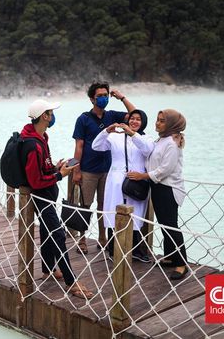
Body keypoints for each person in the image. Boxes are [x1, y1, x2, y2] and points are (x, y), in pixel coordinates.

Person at [21, 99, 93, 299]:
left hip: (46, 195)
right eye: (50, 112)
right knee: (58, 234)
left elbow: (41, 169)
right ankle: (71, 282)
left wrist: (55, 168)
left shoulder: (41, 137)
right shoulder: (32, 144)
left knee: (46, 231)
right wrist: (60, 175)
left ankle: (49, 268)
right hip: (41, 196)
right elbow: (35, 181)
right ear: (44, 116)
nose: (52, 116)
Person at [72, 81, 136, 254]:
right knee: (85, 205)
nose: (103, 98)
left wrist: (121, 97)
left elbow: (136, 116)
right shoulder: (83, 119)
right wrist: (76, 170)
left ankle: (102, 239)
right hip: (88, 170)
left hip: (108, 171)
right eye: (99, 96)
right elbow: (79, 146)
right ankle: (82, 240)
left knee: (104, 206)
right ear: (92, 99)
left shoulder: (112, 116)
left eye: (105, 95)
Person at [127, 109, 188, 280]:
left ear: (171, 125)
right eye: (157, 120)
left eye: (162, 121)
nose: (157, 123)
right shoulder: (161, 140)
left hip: (168, 188)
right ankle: (170, 257)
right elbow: (151, 160)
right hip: (158, 187)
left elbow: (165, 169)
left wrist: (142, 176)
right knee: (163, 223)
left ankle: (181, 263)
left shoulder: (172, 143)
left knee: (170, 225)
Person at [91, 109, 153, 262]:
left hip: (136, 180)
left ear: (143, 122)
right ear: (127, 120)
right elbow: (96, 146)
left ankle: (136, 250)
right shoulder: (115, 137)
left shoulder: (147, 138)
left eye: (138, 119)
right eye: (132, 118)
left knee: (136, 215)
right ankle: (113, 250)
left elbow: (148, 150)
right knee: (114, 213)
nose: (134, 121)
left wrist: (132, 134)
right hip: (116, 180)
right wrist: (106, 131)